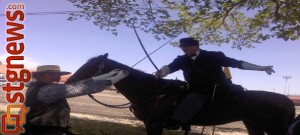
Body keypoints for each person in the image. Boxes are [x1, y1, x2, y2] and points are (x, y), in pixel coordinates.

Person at [155, 37, 275, 130]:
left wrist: (261, 68)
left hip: (217, 88)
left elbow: (237, 63)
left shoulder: (214, 56)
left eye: (187, 46)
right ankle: (179, 121)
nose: (184, 48)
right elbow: (169, 68)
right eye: (182, 46)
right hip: (194, 88)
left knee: (195, 97)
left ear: (196, 46)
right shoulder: (181, 59)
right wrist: (161, 72)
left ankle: (178, 120)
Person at [22, 65, 128, 135]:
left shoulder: (34, 86)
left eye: (58, 75)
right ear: (40, 76)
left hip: (34, 128)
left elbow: (77, 84)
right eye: (52, 74)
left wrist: (106, 75)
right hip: (45, 131)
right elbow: (79, 88)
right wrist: (114, 79)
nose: (57, 77)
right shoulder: (48, 90)